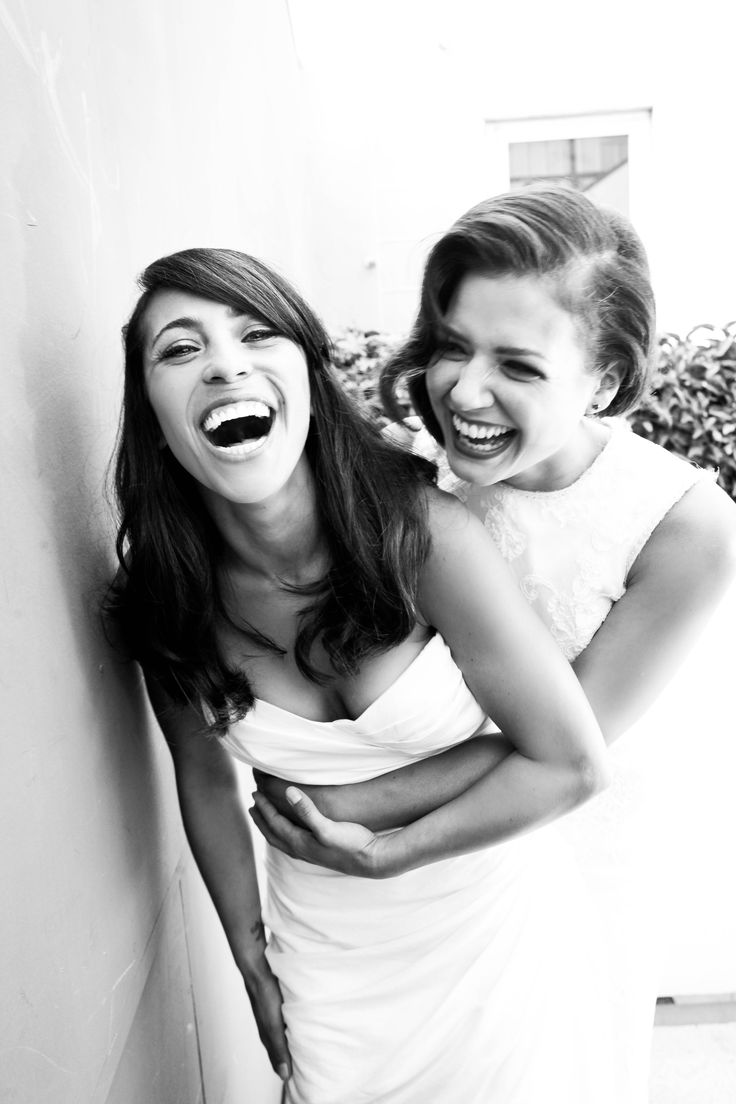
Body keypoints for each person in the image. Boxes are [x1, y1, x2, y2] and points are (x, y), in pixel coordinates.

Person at [251, 186, 736, 1103]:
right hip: (393, 887)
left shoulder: (685, 526)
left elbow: (561, 740)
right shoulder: (399, 475)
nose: (465, 390)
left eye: (517, 363)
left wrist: (349, 807)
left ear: (603, 378)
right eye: (449, 346)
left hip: (569, 841)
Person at [107, 246, 620, 1104]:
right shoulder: (162, 596)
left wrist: (387, 854)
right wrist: (249, 955)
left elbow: (572, 763)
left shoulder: (423, 532)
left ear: (307, 374)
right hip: (327, 964)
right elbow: (200, 777)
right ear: (152, 412)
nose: (226, 363)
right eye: (180, 348)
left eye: (256, 334)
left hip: (489, 932)